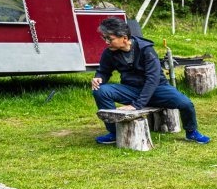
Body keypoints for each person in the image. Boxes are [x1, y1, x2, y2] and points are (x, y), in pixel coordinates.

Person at [90, 17, 210, 145]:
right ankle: (114, 132)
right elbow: (103, 71)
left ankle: (191, 132)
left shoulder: (146, 49)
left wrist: (136, 105)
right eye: (104, 38)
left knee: (186, 103)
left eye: (110, 39)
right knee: (100, 90)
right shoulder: (109, 53)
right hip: (131, 89)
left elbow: (153, 79)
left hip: (158, 89)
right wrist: (99, 77)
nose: (106, 42)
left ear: (124, 38)